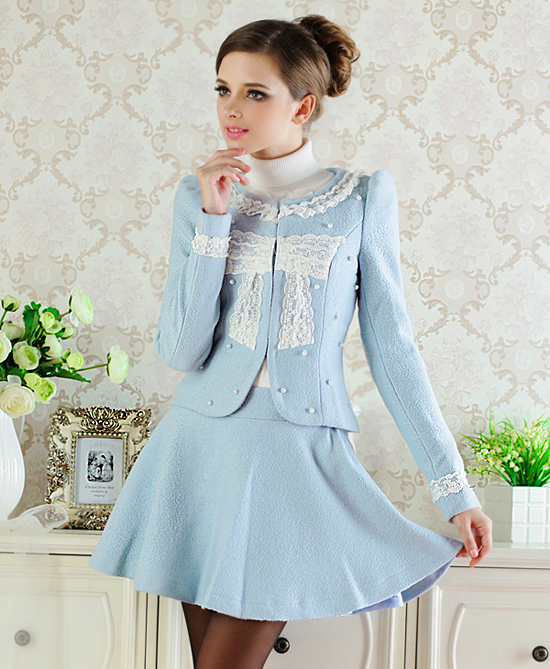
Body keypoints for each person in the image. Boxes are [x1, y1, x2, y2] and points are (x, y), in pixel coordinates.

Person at [88, 15, 493, 669]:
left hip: (296, 452)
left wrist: (455, 491)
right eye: (223, 89)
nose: (232, 109)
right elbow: (181, 351)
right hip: (199, 449)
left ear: (303, 106)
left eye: (255, 93)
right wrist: (213, 221)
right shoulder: (199, 197)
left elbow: (393, 350)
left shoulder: (360, 199)